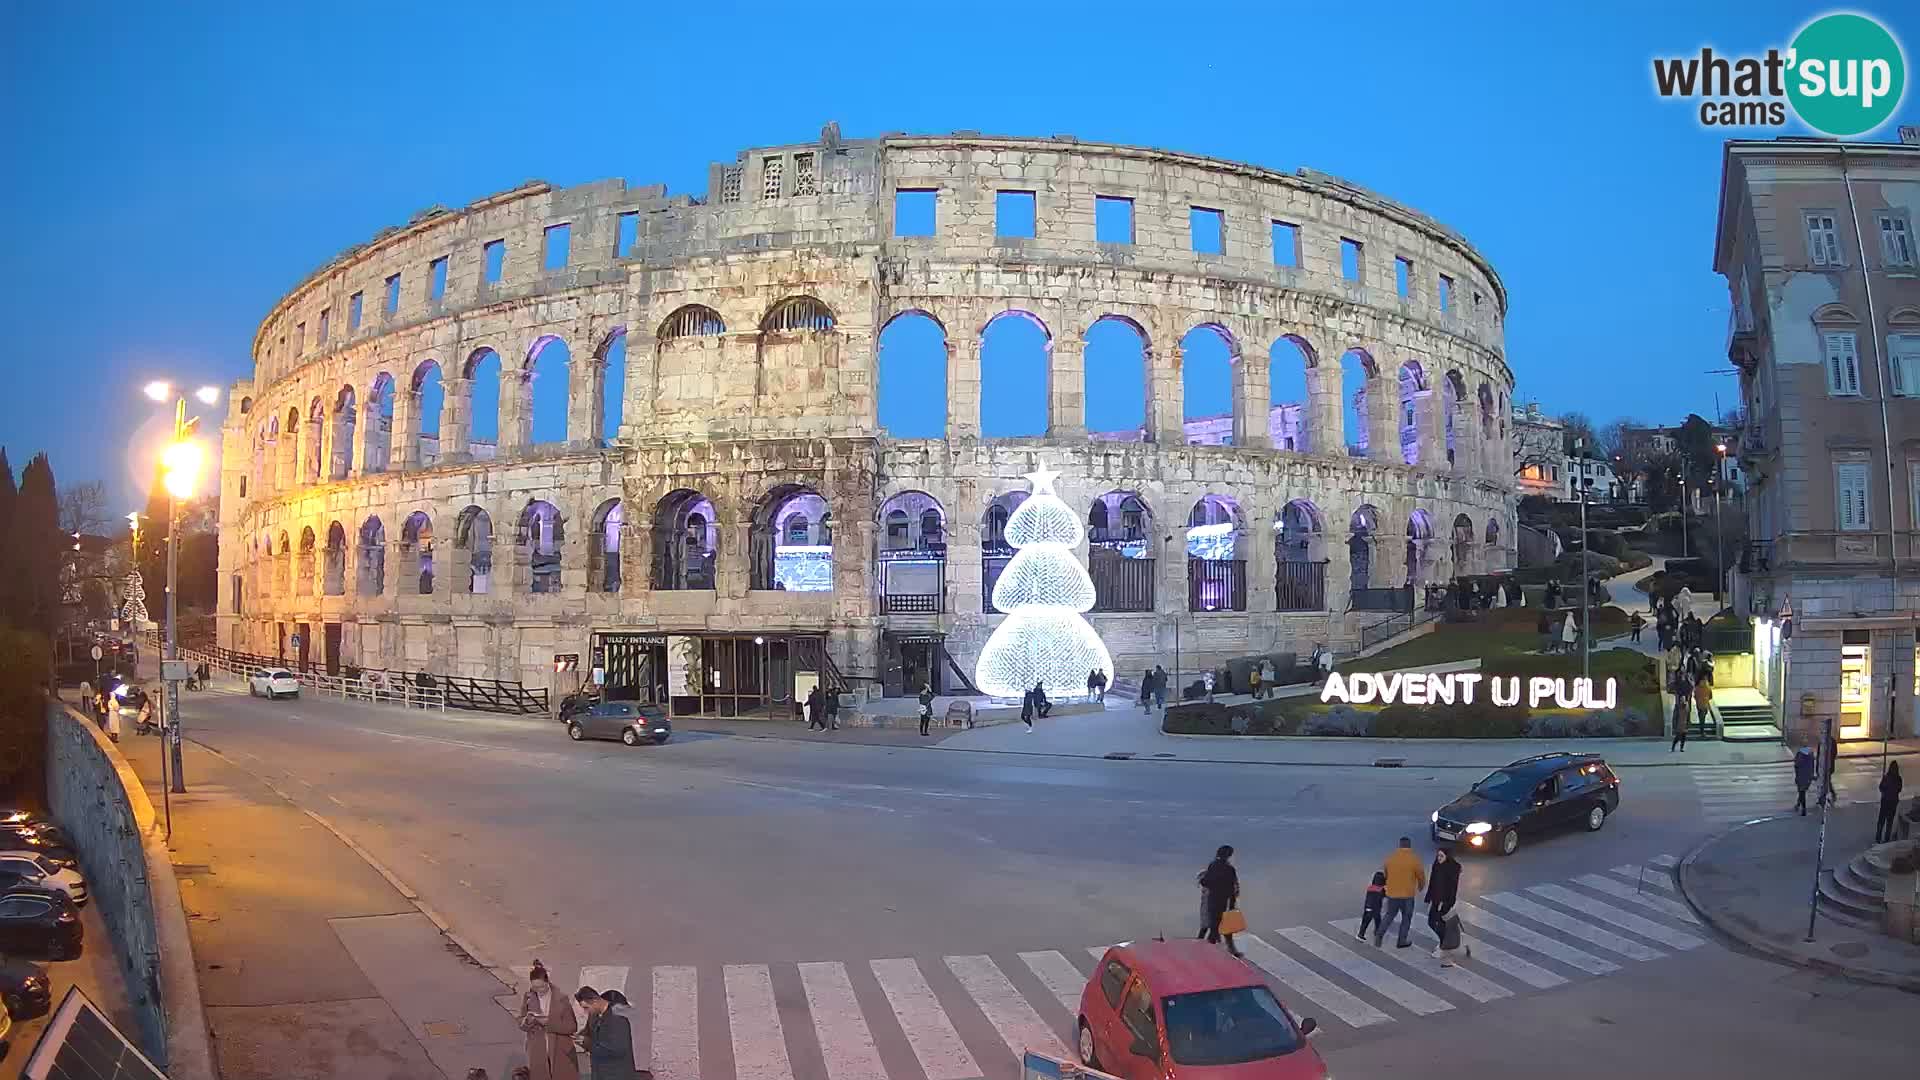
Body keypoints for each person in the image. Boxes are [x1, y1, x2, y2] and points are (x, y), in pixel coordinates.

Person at [518, 962, 579, 1080]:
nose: (539, 990)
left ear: (547, 983)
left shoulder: (561, 999)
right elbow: (521, 1022)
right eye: (535, 988)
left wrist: (548, 1022)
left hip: (560, 1050)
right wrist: (527, 1021)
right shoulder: (528, 997)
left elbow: (571, 1026)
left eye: (541, 987)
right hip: (537, 1050)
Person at [573, 987, 640, 1080]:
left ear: (595, 1001)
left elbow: (618, 1049)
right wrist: (579, 1036)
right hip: (599, 1072)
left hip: (616, 1073)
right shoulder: (594, 1016)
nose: (585, 1012)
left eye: (586, 1008)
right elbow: (589, 1031)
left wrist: (587, 1043)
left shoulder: (618, 1017)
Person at [1377, 837, 1425, 949]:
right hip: (1407, 895)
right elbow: (1421, 875)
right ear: (1409, 846)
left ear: (1400, 845)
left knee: (1389, 915)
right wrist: (1421, 887)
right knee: (1406, 918)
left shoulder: (1391, 858)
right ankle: (1401, 941)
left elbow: (1385, 874)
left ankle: (1379, 934)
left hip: (1392, 894)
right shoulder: (1414, 859)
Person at [1195, 845, 1243, 958]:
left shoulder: (1213, 866)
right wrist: (1232, 903)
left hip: (1213, 899)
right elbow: (1232, 888)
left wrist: (1203, 880)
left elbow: (1206, 882)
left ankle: (1210, 949)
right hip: (1224, 900)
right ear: (1229, 855)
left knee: (1214, 925)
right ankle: (1225, 950)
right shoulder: (1230, 869)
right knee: (1223, 927)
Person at [1425, 847, 1462, 953]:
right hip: (1436, 900)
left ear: (1447, 857)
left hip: (1445, 902)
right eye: (1438, 856)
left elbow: (1452, 889)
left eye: (1441, 856)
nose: (1439, 858)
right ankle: (1444, 942)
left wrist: (1446, 903)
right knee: (1431, 922)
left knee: (1441, 924)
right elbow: (1432, 882)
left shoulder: (1452, 869)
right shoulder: (1436, 865)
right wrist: (1428, 898)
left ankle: (1444, 945)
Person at [1876, 762, 1905, 844]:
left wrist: (1887, 789)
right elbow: (1881, 787)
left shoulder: (1892, 778)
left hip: (1889, 802)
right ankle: (1880, 839)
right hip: (1888, 802)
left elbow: (1882, 788)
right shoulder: (1892, 778)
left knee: (1886, 822)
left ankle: (1884, 839)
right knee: (1884, 822)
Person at [1356, 871, 1387, 942]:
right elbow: (1385, 895)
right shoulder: (1381, 890)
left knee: (1366, 921)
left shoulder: (1370, 887)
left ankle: (1361, 933)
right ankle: (1375, 933)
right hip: (1375, 908)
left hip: (1367, 907)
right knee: (1377, 920)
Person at [1793, 745, 1815, 815]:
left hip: (1801, 775)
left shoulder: (1799, 754)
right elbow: (1812, 766)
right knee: (1803, 791)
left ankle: (1803, 808)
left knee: (1801, 791)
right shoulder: (1810, 754)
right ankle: (1799, 805)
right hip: (1808, 776)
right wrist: (1812, 775)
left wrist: (1796, 776)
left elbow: (1796, 766)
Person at [1820, 731, 1839, 808]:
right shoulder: (1823, 741)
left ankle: (1830, 795)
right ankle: (1825, 796)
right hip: (1825, 765)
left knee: (1826, 781)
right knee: (1826, 781)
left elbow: (1834, 753)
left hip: (1828, 765)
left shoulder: (1830, 741)